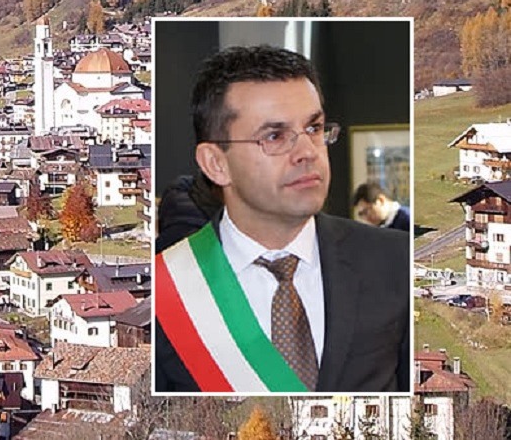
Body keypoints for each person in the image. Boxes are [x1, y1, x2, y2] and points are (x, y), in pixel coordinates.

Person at [154, 45, 410, 393]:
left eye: (314, 128)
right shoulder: (165, 292)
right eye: (275, 136)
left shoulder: (396, 261)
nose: (308, 152)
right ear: (216, 163)